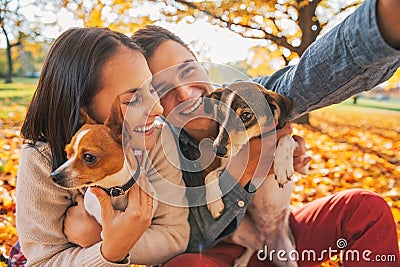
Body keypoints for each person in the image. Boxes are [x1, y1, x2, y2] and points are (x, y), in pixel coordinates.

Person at [65, 0, 400, 266]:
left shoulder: (243, 99)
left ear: (201, 65)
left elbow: (307, 77)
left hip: (283, 232)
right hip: (221, 250)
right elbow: (187, 237)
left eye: (187, 70)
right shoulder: (155, 147)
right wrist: (247, 172)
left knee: (365, 207)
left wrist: (382, 25)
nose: (185, 94)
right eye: (163, 88)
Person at [14, 27, 189, 266]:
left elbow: (175, 237)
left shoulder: (157, 140)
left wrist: (106, 239)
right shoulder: (41, 159)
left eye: (152, 90)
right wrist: (109, 252)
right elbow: (43, 261)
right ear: (79, 108)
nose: (158, 110)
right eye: (133, 100)